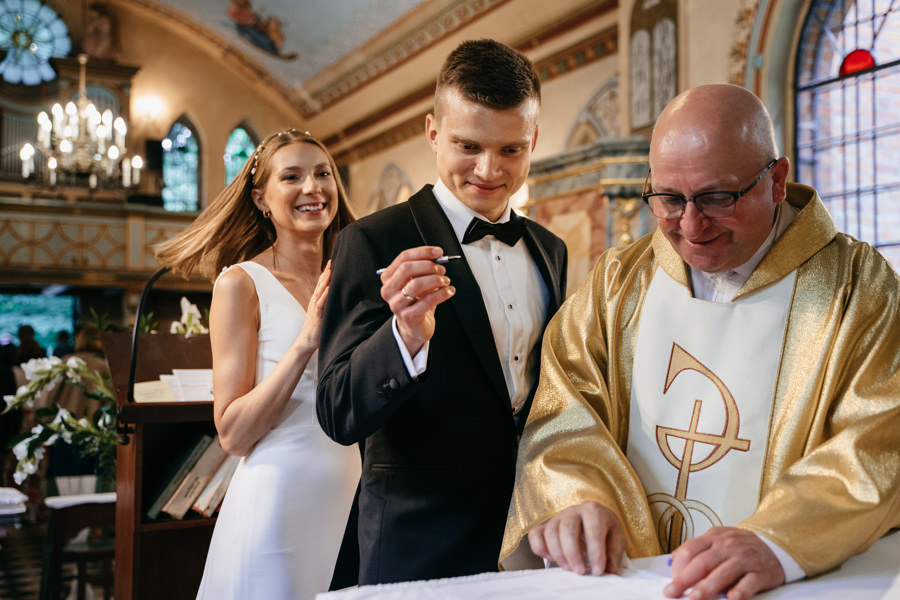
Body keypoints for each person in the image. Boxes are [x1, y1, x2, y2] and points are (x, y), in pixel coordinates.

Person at [500, 84, 900, 600]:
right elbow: (565, 409)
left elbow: (880, 436)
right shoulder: (618, 283)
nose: (691, 225)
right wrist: (572, 495)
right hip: (629, 581)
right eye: (669, 199)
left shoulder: (859, 289)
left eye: (716, 198)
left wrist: (780, 541)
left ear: (777, 181)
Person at [316, 39, 568, 585]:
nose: (489, 169)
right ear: (433, 132)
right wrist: (404, 336)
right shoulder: (372, 240)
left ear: (533, 140)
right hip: (418, 547)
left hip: (529, 543)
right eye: (467, 145)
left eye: (510, 149)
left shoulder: (551, 250)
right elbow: (337, 412)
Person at [154, 128, 360, 600]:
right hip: (279, 501)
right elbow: (232, 434)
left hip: (351, 493)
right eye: (292, 177)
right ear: (261, 199)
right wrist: (305, 343)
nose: (312, 187)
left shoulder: (354, 279)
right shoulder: (241, 284)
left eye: (323, 174)